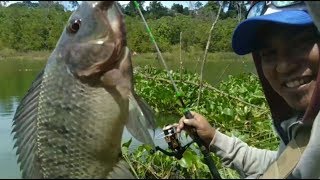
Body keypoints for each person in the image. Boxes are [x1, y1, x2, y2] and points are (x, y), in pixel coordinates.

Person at [176, 1, 320, 179]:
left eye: (300, 43)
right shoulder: (304, 130)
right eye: (268, 53)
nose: (283, 67)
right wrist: (215, 139)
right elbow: (285, 163)